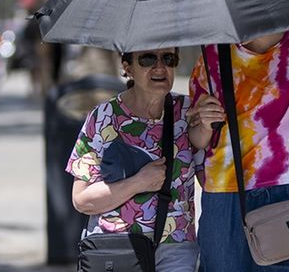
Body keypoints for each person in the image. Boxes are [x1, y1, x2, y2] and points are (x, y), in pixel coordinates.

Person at [187, 4, 289, 271]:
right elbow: (197, 140)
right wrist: (205, 123)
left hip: (286, 189)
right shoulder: (214, 53)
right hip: (224, 192)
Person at [66, 47, 204, 271]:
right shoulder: (104, 117)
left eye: (168, 59)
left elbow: (209, 175)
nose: (160, 67)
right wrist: (138, 182)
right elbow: (81, 199)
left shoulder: (188, 112)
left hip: (176, 248)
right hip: (119, 248)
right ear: (127, 67)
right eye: (148, 59)